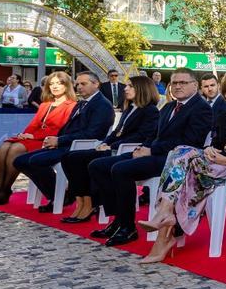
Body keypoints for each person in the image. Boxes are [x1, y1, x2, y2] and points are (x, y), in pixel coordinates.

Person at [138, 72, 226, 263]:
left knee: (181, 160)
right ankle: (165, 222)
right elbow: (218, 143)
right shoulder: (224, 116)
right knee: (180, 158)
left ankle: (163, 219)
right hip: (213, 167)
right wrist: (210, 150)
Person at [88, 67, 214, 246]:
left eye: (183, 83)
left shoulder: (201, 108)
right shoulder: (169, 106)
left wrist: (151, 150)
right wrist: (143, 147)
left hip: (175, 161)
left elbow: (190, 141)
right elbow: (154, 134)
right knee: (98, 165)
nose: (177, 86)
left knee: (120, 170)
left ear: (194, 85)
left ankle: (127, 228)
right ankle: (118, 219)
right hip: (154, 153)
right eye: (174, 83)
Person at [60, 76, 161, 223]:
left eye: (130, 86)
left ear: (142, 89)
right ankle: (82, 199)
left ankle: (94, 204)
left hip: (125, 150)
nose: (125, 89)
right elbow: (116, 132)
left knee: (84, 161)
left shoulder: (150, 111)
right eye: (126, 86)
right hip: (113, 147)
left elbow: (142, 136)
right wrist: (105, 142)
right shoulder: (130, 108)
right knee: (69, 157)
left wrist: (111, 146)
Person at [13, 71, 115, 211]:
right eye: (77, 84)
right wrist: (53, 139)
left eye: (83, 84)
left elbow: (93, 133)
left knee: (35, 161)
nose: (79, 87)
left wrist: (60, 140)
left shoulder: (102, 104)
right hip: (66, 144)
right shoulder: (83, 102)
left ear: (96, 84)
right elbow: (68, 127)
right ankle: (58, 195)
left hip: (80, 148)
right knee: (20, 161)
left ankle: (62, 196)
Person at [0, 72, 77, 206]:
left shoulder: (72, 105)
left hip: (49, 140)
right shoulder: (46, 104)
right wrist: (24, 135)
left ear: (67, 85)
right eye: (51, 84)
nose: (54, 87)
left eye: (59, 83)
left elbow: (61, 128)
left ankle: (4, 191)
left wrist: (33, 136)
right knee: (4, 146)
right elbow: (34, 124)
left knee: (16, 149)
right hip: (34, 137)